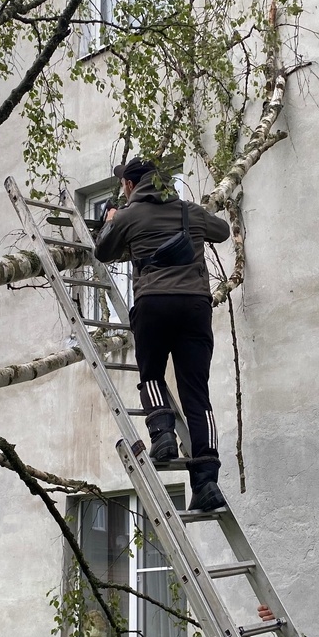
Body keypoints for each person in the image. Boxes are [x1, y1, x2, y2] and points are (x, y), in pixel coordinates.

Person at [95, 157, 231, 512]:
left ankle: (163, 436)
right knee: (197, 395)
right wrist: (193, 220)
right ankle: (206, 483)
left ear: (129, 185)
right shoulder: (189, 211)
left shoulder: (128, 216)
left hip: (154, 303)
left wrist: (110, 221)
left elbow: (103, 251)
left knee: (152, 374)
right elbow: (222, 231)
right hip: (195, 307)